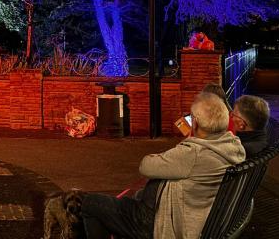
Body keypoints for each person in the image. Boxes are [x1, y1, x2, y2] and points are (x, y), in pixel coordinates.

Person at [44, 92, 245, 239]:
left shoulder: (193, 152)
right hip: (191, 213)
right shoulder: (230, 146)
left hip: (154, 220)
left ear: (196, 124)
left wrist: (187, 142)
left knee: (90, 204)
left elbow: (147, 165)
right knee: (106, 204)